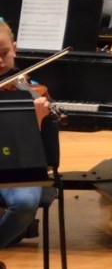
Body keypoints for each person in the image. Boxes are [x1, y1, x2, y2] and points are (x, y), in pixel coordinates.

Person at [0, 20, 51, 250]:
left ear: (15, 48)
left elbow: (39, 150)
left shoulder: (31, 90)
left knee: (25, 203)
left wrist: (37, 120)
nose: (0, 62)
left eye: (4, 53)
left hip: (19, 166)